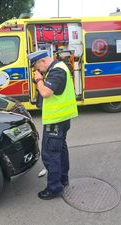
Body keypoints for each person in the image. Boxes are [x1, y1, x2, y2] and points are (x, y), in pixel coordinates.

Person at [27, 50, 78, 200]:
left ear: (42, 61)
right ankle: (63, 179)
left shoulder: (56, 71)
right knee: (60, 149)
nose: (37, 71)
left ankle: (54, 188)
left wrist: (39, 80)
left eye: (37, 67)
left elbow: (46, 93)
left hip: (56, 120)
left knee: (51, 154)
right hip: (62, 118)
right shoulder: (60, 67)